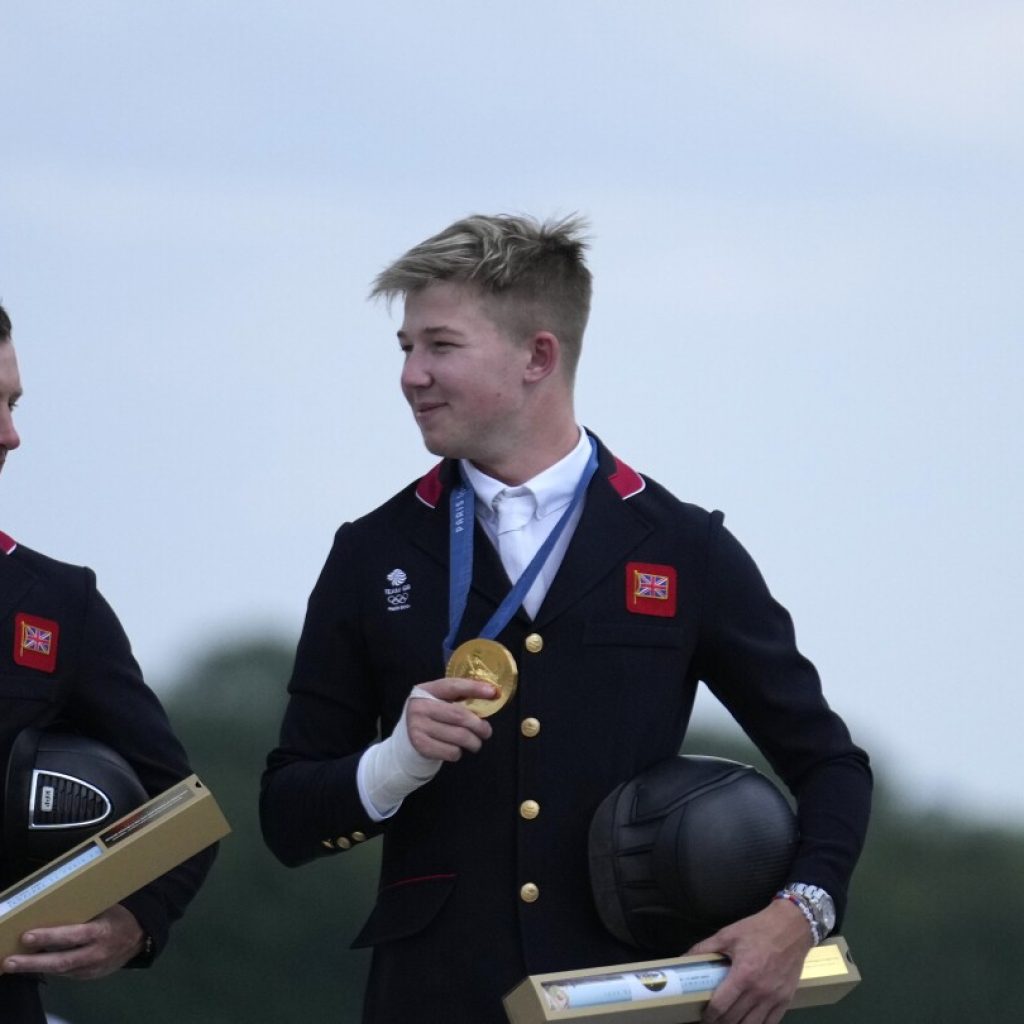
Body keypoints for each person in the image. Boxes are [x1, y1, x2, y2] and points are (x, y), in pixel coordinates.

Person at [260, 215, 872, 1024]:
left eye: (439, 346)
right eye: (404, 349)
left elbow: (831, 765)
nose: (411, 375)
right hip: (434, 1000)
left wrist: (799, 915)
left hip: (629, 1002)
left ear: (537, 357)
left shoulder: (684, 547)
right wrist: (396, 760)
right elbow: (287, 817)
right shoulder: (371, 553)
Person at [0, 305, 217, 1023]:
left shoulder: (61, 605)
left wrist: (136, 922)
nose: (11, 435)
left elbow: (182, 815)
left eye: (13, 403)